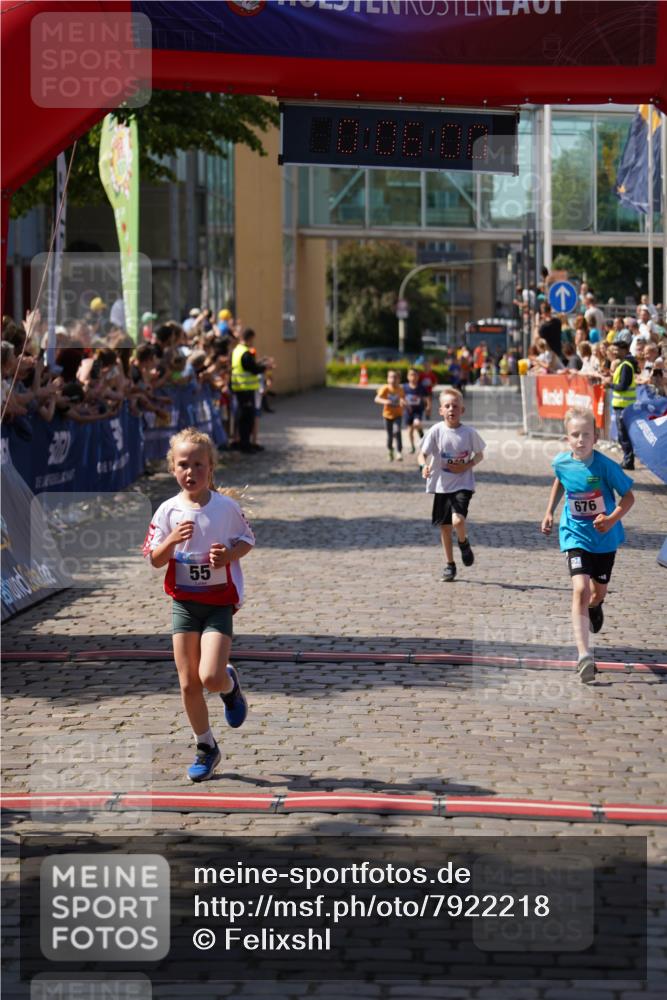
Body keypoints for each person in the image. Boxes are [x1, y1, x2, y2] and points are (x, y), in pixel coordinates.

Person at [142, 428, 255, 782]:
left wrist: (228, 556)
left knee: (210, 676)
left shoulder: (226, 508)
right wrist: (173, 540)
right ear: (172, 469)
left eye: (198, 465)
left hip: (218, 603)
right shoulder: (167, 511)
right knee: (189, 683)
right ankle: (205, 746)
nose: (190, 472)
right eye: (183, 465)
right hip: (184, 603)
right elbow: (155, 560)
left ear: (212, 468)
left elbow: (247, 540)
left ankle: (230, 685)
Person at [541, 408, 634, 684]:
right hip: (574, 535)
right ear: (567, 437)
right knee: (580, 589)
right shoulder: (561, 462)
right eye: (575, 435)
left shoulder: (606, 466)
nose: (580, 440)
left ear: (596, 436)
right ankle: (584, 655)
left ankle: (597, 605)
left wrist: (612, 518)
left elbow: (628, 497)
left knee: (597, 592)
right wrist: (549, 512)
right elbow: (561, 481)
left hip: (605, 539)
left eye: (586, 435)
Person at [418, 387, 486, 582]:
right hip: (441, 485)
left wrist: (468, 464)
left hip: (463, 483)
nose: (451, 409)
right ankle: (450, 564)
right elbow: (422, 454)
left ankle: (463, 543)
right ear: (440, 410)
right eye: (447, 406)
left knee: (458, 521)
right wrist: (424, 466)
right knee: (445, 527)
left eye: (455, 406)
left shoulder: (469, 432)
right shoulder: (436, 431)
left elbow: (480, 454)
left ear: (462, 410)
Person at [230, 328, 274, 453]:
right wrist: (265, 367)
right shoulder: (245, 352)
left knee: (242, 416)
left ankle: (241, 441)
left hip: (239, 387)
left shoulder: (237, 350)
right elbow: (252, 368)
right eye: (253, 339)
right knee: (246, 418)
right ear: (249, 338)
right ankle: (245, 444)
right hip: (246, 388)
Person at [604, 330, 637, 470]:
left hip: (624, 406)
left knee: (623, 435)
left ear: (625, 350)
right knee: (622, 434)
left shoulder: (625, 366)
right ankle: (627, 459)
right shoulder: (624, 364)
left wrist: (609, 384)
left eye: (618, 349)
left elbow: (622, 386)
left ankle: (628, 461)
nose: (615, 351)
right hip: (622, 405)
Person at [374, 368, 405, 461]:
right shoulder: (385, 388)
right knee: (390, 435)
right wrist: (385, 401)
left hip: (398, 414)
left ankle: (399, 452)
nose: (393, 379)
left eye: (395, 377)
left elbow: (403, 399)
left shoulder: (400, 389)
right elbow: (376, 399)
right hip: (387, 415)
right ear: (387, 378)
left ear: (399, 379)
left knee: (397, 431)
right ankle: (390, 450)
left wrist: (403, 402)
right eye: (390, 377)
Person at [402, 367, 427, 454]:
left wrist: (427, 407)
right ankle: (412, 447)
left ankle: (422, 437)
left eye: (415, 375)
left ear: (418, 376)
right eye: (411, 375)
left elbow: (425, 399)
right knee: (410, 431)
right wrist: (404, 404)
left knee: (417, 424)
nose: (413, 377)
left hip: (418, 411)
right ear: (407, 376)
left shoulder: (421, 387)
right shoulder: (404, 387)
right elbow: (401, 398)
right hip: (408, 412)